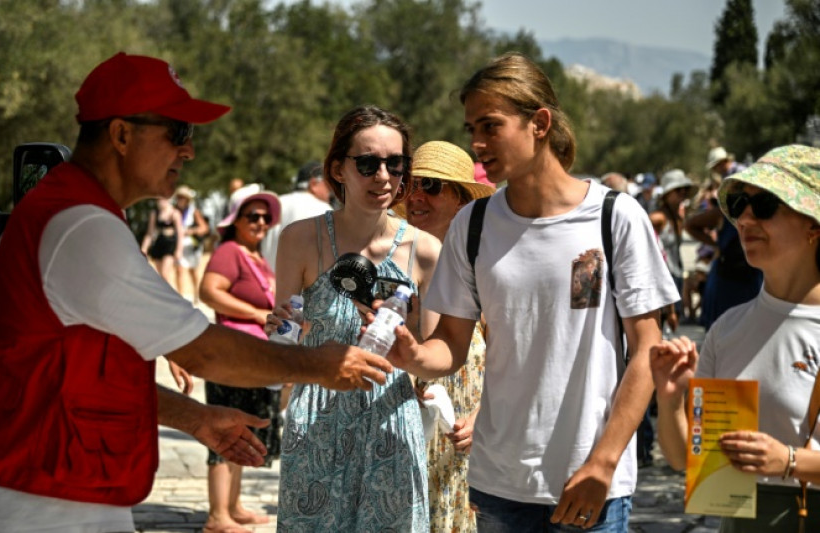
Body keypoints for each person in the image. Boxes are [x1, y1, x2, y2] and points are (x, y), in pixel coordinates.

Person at [0, 52, 393, 533]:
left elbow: (81, 375)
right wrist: (318, 364)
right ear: (122, 135)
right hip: (18, 499)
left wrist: (196, 418)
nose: (188, 152)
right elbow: (203, 352)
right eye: (178, 133)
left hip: (39, 489)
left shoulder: (75, 210)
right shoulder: (82, 226)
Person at [387, 53, 679, 531]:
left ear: (539, 122)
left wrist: (603, 464)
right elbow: (452, 346)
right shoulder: (473, 225)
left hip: (590, 486)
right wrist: (412, 355)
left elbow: (647, 352)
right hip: (499, 487)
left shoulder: (615, 218)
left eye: (490, 126)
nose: (478, 144)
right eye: (471, 129)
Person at [270, 105, 442, 531]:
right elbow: (285, 334)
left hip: (391, 420)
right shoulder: (300, 239)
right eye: (367, 163)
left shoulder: (425, 250)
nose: (382, 176)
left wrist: (411, 343)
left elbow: (437, 356)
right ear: (338, 169)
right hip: (316, 422)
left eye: (394, 163)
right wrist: (279, 331)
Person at [651, 144, 820, 532]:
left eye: (764, 207)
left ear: (814, 224)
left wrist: (791, 461)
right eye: (740, 204)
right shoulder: (728, 329)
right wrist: (671, 398)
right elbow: (686, 460)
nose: (744, 217)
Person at [402, 140, 494, 532]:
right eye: (411, 185)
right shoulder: (393, 261)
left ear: (460, 200)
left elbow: (513, 353)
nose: (417, 196)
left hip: (465, 443)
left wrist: (485, 415)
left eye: (432, 186)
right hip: (408, 440)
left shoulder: (482, 266)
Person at [199, 187, 283, 533]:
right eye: (253, 216)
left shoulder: (256, 256)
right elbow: (209, 292)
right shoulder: (230, 252)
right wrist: (256, 314)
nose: (261, 222)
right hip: (229, 356)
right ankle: (217, 516)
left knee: (243, 430)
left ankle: (232, 505)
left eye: (266, 217)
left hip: (251, 359)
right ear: (235, 221)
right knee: (225, 429)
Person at [687, 147, 761, 330]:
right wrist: (715, 245)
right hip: (729, 278)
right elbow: (691, 225)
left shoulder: (763, 215)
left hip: (747, 279)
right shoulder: (723, 212)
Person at [261, 160, 332, 270]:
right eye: (328, 184)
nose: (331, 191)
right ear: (313, 184)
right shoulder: (323, 210)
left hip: (268, 283)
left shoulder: (276, 203)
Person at [649, 169, 697, 329]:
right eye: (678, 190)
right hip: (661, 280)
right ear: (667, 194)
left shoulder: (677, 217)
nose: (682, 193)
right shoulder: (658, 218)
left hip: (674, 276)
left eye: (685, 190)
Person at [173, 185, 208, 303]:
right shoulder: (175, 211)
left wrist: (191, 231)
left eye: (183, 198)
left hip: (191, 246)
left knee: (192, 272)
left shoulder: (194, 212)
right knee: (179, 270)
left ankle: (196, 295)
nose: (180, 200)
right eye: (179, 198)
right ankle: (180, 297)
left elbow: (204, 228)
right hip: (179, 245)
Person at [140, 196, 183, 288]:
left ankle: (170, 296)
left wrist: (179, 250)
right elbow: (150, 233)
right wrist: (144, 248)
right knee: (160, 276)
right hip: (159, 243)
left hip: (170, 245)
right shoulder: (154, 213)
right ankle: (165, 296)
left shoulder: (175, 213)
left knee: (165, 273)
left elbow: (180, 233)